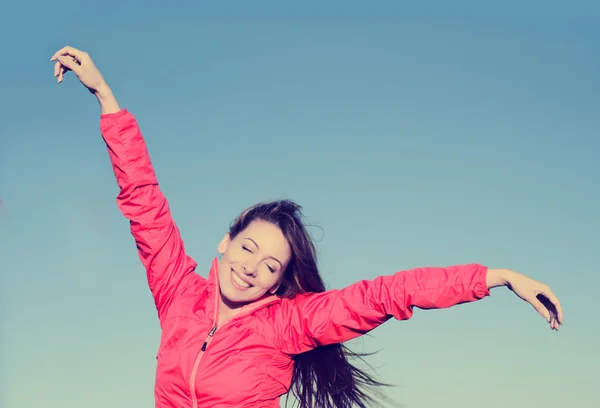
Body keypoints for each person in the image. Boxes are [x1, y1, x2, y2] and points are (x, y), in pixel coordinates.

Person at [50, 46, 564, 408]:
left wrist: (493, 277)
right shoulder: (177, 294)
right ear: (225, 244)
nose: (251, 268)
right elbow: (145, 203)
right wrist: (106, 99)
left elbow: (382, 295)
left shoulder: (286, 325)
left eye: (270, 265)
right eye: (248, 249)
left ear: (279, 283)